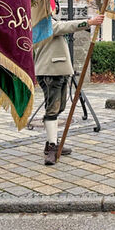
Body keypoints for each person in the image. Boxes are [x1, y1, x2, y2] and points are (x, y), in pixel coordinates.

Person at [34, 9, 104, 165]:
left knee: (59, 108)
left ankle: (51, 141)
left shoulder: (47, 17)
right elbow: (61, 27)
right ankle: (52, 147)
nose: (53, 6)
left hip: (60, 70)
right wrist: (89, 22)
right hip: (50, 70)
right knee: (52, 109)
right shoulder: (39, 19)